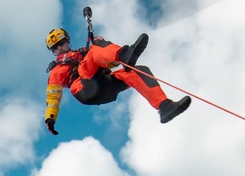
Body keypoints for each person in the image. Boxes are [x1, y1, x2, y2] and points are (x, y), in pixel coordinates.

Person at [44, 25, 190, 133]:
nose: (60, 48)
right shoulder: (57, 70)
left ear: (68, 41)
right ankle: (124, 54)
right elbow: (53, 97)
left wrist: (103, 47)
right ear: (53, 51)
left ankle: (165, 107)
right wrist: (50, 118)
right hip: (85, 89)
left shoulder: (83, 53)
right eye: (55, 47)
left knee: (139, 71)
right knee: (95, 49)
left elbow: (107, 62)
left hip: (104, 84)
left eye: (61, 43)